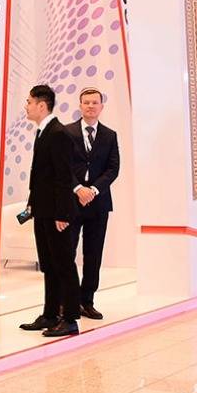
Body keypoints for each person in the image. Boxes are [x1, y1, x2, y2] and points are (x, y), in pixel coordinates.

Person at [19, 85, 80, 338]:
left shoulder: (58, 134)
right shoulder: (44, 131)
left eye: (29, 102)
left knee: (63, 264)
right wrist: (32, 204)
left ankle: (70, 318)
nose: (26, 106)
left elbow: (64, 177)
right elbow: (41, 176)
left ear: (42, 105)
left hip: (57, 213)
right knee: (49, 265)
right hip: (43, 210)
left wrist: (63, 214)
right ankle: (50, 313)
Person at [66, 88, 119, 320]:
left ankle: (87, 301)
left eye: (94, 102)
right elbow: (62, 166)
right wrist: (78, 189)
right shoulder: (66, 133)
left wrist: (94, 190)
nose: (90, 106)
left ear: (101, 106)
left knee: (93, 254)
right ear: (80, 105)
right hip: (71, 202)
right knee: (67, 253)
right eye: (86, 102)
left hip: (98, 204)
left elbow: (113, 168)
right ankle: (67, 302)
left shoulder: (109, 135)